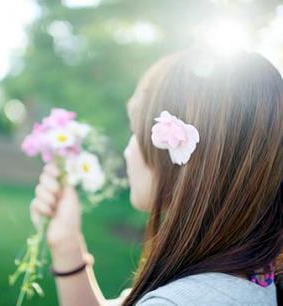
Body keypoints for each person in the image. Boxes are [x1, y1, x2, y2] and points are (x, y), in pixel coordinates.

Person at [29, 48, 283, 305]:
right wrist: (66, 244)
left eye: (135, 129)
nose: (128, 151)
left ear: (178, 154)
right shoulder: (247, 276)